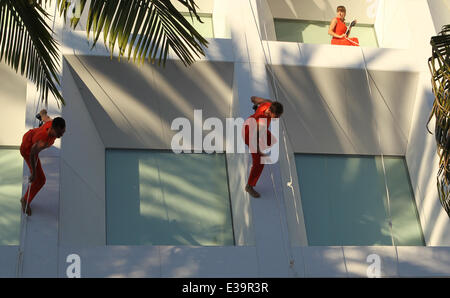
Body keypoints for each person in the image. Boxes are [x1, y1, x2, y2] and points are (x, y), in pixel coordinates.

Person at [19, 109, 66, 215]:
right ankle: (25, 200)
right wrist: (34, 173)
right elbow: (32, 154)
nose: (61, 135)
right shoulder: (42, 141)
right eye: (59, 133)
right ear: (53, 128)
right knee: (40, 180)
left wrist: (42, 113)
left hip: (30, 135)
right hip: (27, 149)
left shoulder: (51, 123)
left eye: (63, 132)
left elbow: (46, 118)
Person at [243, 96, 283, 198]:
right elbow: (253, 139)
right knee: (260, 162)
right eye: (277, 116)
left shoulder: (268, 104)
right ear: (270, 112)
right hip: (249, 134)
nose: (278, 118)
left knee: (271, 140)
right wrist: (260, 152)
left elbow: (253, 98)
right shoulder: (262, 123)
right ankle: (249, 186)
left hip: (250, 123)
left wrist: (255, 104)